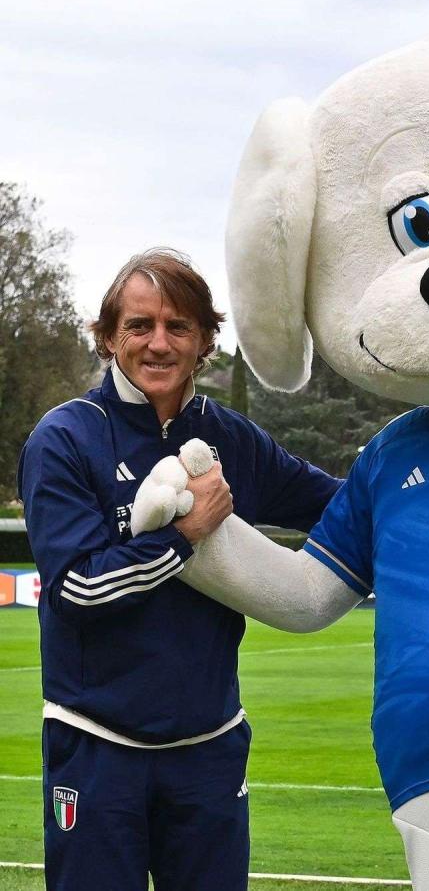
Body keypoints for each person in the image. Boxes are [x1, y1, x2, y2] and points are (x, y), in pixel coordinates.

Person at [17, 248, 342, 891]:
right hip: (97, 743)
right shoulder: (66, 437)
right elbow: (77, 590)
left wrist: (423, 476)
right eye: (139, 325)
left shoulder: (234, 437)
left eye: (178, 326)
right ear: (109, 337)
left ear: (204, 341)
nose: (159, 343)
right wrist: (184, 538)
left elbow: (341, 506)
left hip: (209, 747)